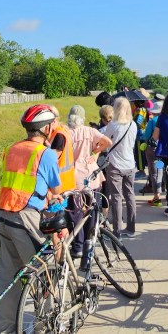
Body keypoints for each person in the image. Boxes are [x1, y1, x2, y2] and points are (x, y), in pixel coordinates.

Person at [0, 105, 65, 333]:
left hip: (3, 216)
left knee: (8, 278)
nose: (53, 127)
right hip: (25, 219)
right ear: (45, 128)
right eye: (52, 124)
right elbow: (56, 189)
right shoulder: (45, 154)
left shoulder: (11, 148)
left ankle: (5, 329)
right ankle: (45, 326)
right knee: (45, 273)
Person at [67, 105, 112, 258]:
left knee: (76, 213)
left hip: (74, 177)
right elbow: (108, 142)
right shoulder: (90, 131)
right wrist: (95, 152)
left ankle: (78, 246)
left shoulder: (67, 133)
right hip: (92, 176)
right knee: (92, 210)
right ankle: (89, 242)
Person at [100, 97, 139, 237]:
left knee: (116, 198)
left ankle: (117, 232)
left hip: (115, 164)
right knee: (130, 195)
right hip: (130, 164)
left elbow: (105, 141)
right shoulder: (133, 124)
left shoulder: (113, 125)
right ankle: (131, 228)